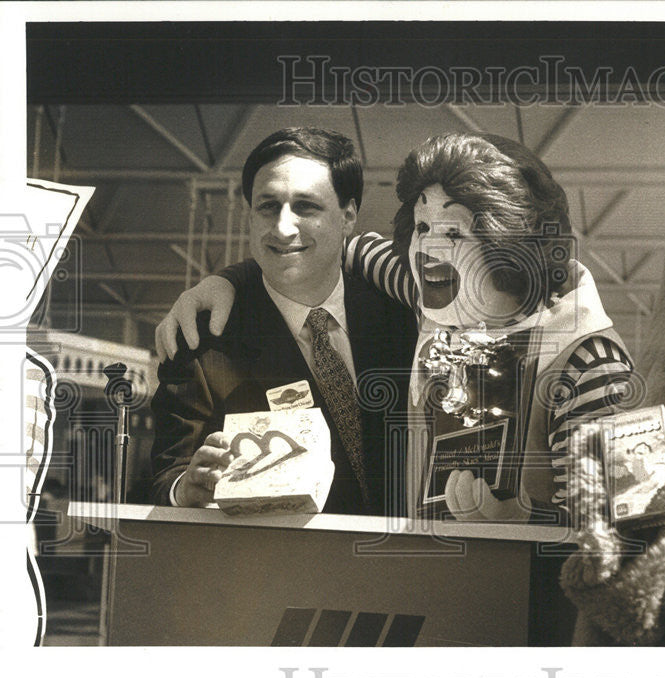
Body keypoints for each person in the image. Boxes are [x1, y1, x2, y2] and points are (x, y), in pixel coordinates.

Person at [157, 132, 636, 525]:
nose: (429, 249)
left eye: (455, 233)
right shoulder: (427, 302)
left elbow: (626, 517)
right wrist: (231, 279)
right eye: (423, 229)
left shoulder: (583, 358)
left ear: (508, 242)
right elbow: (340, 247)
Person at [149, 127, 416, 515]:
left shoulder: (402, 315)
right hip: (278, 570)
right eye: (268, 206)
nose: (282, 227)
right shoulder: (203, 343)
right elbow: (161, 479)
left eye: (306, 207)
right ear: (250, 216)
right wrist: (185, 489)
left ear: (348, 216)